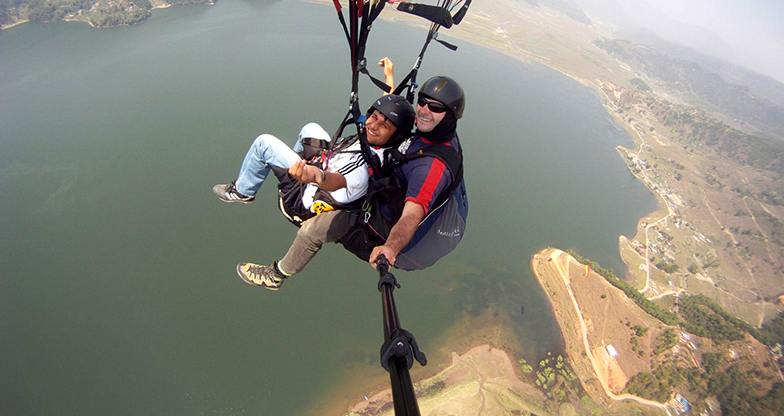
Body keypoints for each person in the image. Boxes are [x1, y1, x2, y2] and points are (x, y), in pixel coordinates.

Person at [236, 75, 466, 290]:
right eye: (423, 102)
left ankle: (276, 275)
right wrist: (390, 80)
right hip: (379, 188)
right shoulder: (431, 133)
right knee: (311, 131)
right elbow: (396, 117)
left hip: (379, 224)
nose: (424, 110)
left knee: (312, 230)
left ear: (451, 115)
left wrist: (391, 247)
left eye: (435, 108)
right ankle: (299, 174)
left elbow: (411, 215)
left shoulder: (432, 167)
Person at [215, 94, 416, 289]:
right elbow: (385, 119)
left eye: (384, 126)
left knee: (264, 144)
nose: (373, 125)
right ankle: (296, 165)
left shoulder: (362, 168)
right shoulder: (378, 145)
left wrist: (313, 175)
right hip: (323, 167)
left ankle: (243, 191)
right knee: (311, 128)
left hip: (302, 200)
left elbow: (336, 181)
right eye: (374, 117)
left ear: (394, 136)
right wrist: (389, 78)